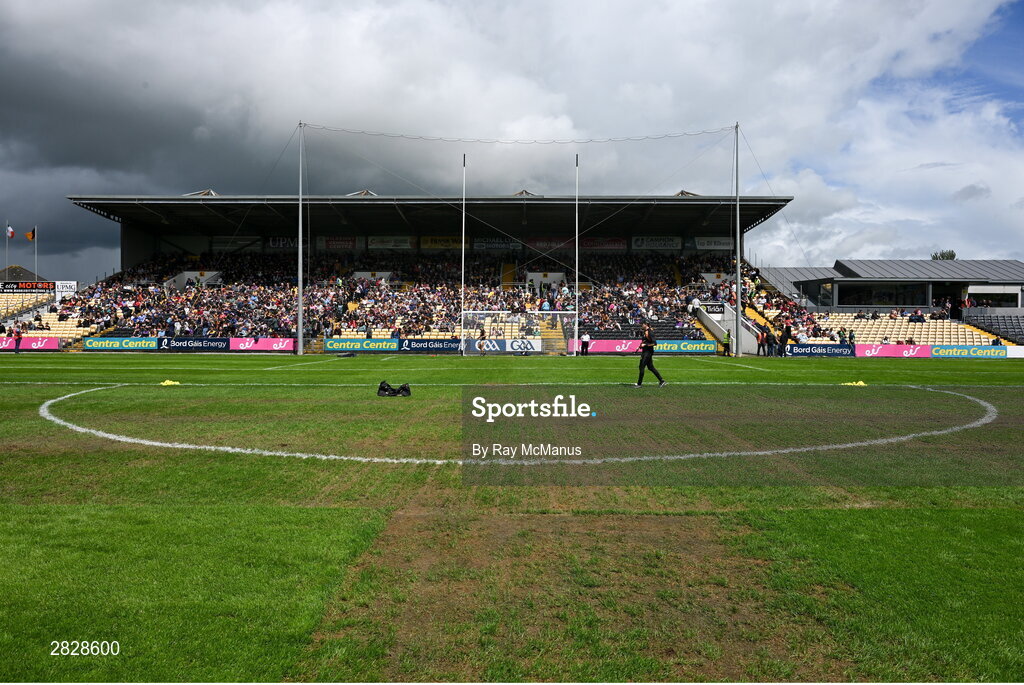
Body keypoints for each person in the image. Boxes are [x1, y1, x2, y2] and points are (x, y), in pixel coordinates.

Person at [634, 322, 666, 387]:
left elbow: (654, 343)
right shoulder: (645, 331)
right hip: (645, 351)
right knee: (651, 367)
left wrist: (645, 345)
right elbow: (645, 341)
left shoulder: (650, 332)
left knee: (641, 367)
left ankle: (639, 384)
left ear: (646, 324)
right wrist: (640, 346)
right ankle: (662, 381)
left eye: (642, 324)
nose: (641, 325)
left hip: (647, 353)